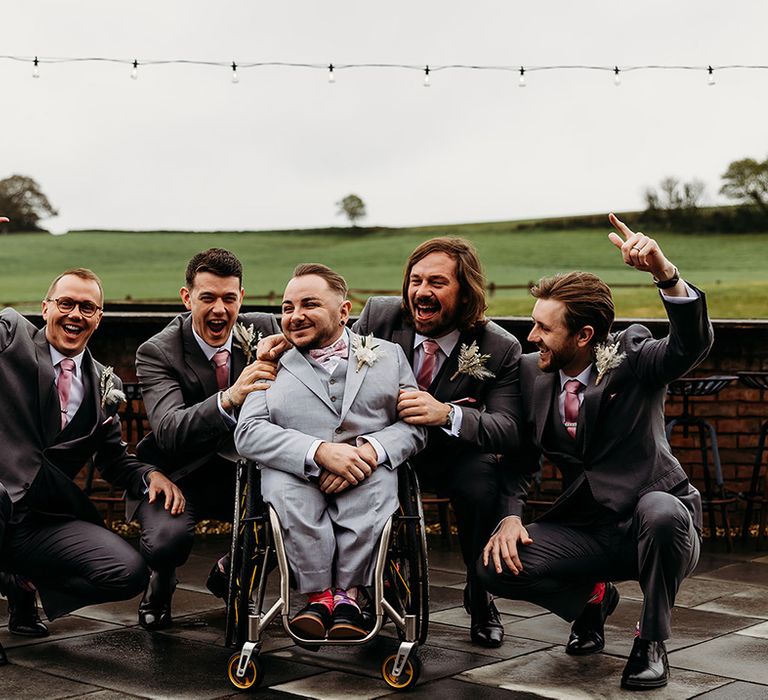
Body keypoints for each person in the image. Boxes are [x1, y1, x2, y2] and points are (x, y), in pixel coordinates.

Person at [478, 214, 713, 690]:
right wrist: (509, 515)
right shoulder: (529, 372)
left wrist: (664, 274)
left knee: (662, 511)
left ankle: (651, 642)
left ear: (584, 336)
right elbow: (522, 454)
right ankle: (591, 600)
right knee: (495, 568)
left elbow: (691, 344)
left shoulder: (633, 357)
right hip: (587, 526)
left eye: (544, 329)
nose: (531, 337)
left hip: (658, 521)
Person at [259, 237, 523, 647]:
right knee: (307, 488)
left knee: (480, 484)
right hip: (373, 447)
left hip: (449, 453)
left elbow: (507, 428)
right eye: (415, 281)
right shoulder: (381, 316)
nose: (421, 292)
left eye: (436, 282)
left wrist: (447, 414)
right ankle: (358, 590)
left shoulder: (498, 347)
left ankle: (481, 592)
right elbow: (337, 371)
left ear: (465, 291)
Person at [0, 266, 181, 666]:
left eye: (87, 307)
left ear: (99, 317)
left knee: (128, 572)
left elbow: (114, 459)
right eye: (66, 303)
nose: (75, 314)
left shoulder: (103, 383)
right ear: (45, 308)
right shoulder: (10, 335)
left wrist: (148, 474)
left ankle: (21, 583)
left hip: (42, 518)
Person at [235, 264, 427, 639]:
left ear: (344, 311)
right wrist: (318, 452)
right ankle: (317, 596)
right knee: (288, 497)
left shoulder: (388, 357)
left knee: (377, 492)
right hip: (295, 470)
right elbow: (249, 432)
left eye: (309, 304)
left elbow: (415, 426)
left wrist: (371, 451)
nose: (295, 316)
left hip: (365, 470)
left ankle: (350, 596)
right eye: (287, 308)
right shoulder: (269, 363)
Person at [133, 248, 280, 630]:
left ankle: (230, 574)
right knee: (166, 543)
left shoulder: (265, 330)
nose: (219, 310)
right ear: (187, 298)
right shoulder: (158, 350)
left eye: (229, 298)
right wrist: (230, 397)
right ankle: (161, 579)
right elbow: (168, 430)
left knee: (304, 510)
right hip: (180, 474)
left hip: (248, 471)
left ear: (241, 298)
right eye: (208, 298)